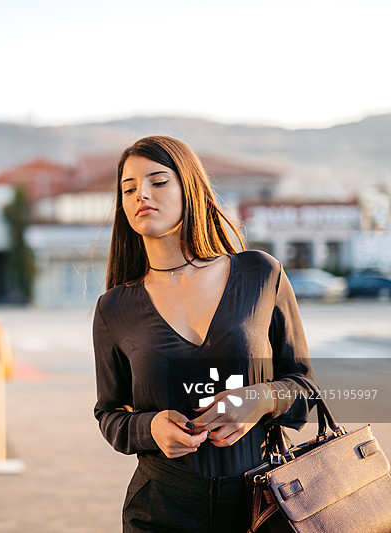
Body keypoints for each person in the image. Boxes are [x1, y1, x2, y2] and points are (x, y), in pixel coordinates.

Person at [92, 135, 316, 532]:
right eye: (128, 188)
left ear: (189, 189)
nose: (141, 194)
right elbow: (110, 414)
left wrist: (263, 397)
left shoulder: (260, 274)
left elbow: (305, 387)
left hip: (263, 505)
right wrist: (150, 428)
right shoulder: (114, 308)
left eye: (158, 182)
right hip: (162, 508)